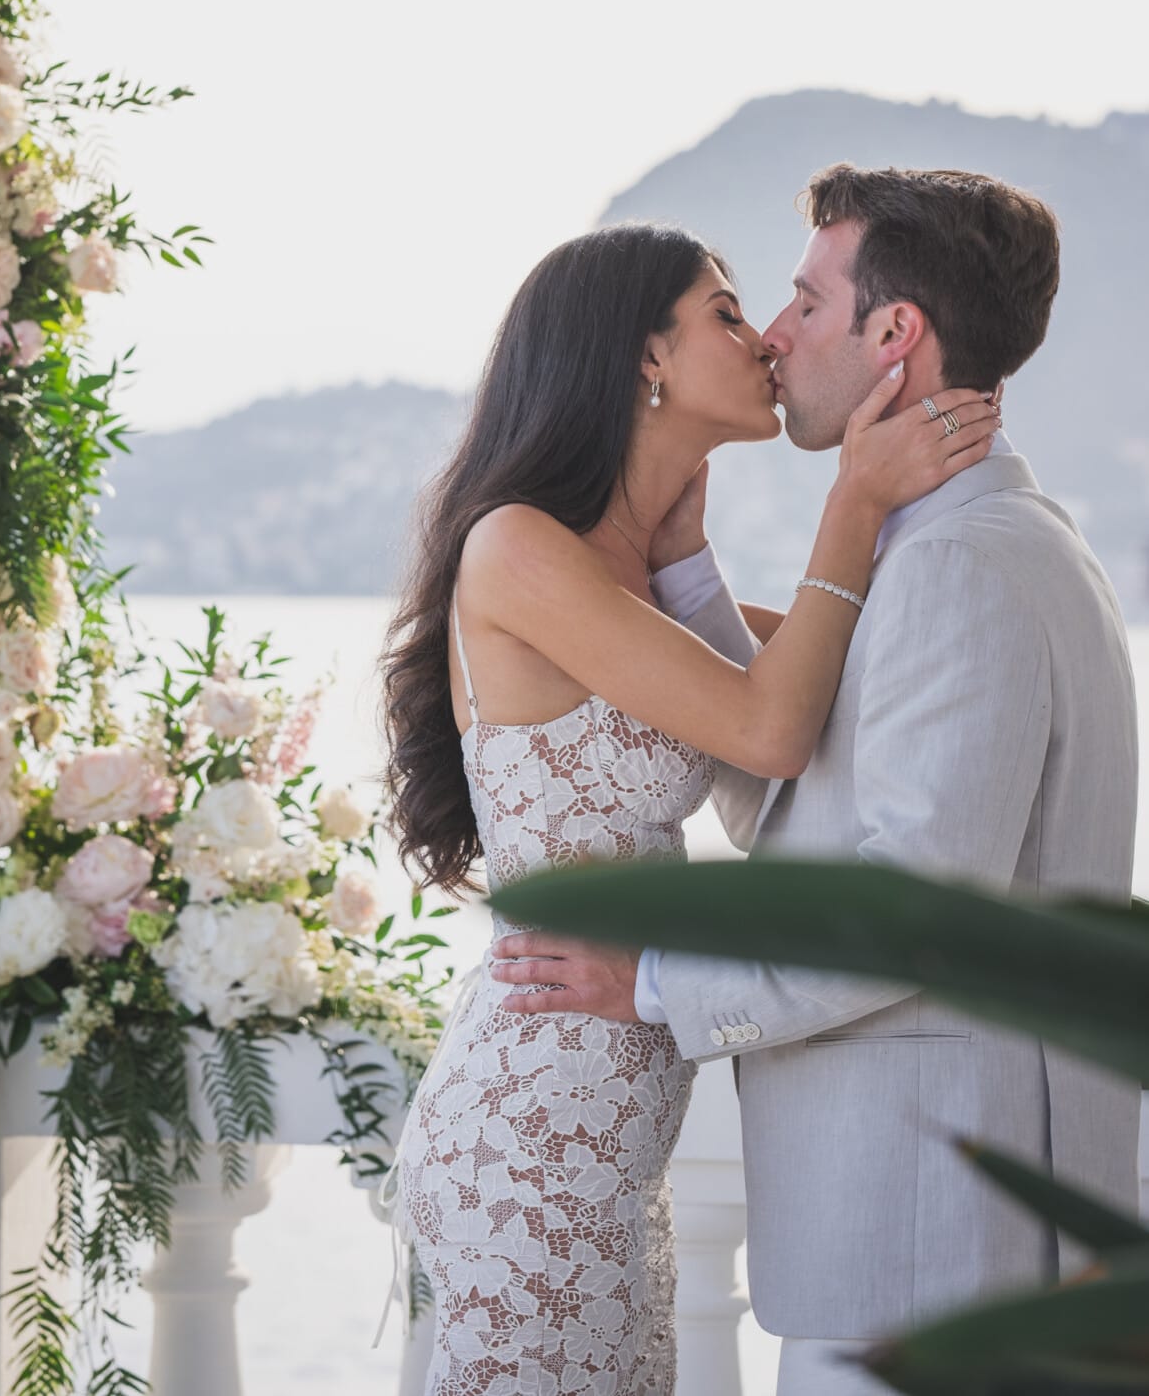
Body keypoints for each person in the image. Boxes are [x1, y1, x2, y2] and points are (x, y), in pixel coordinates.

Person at [491, 166, 1141, 1396]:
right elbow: (795, 799)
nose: (776, 337)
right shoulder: (967, 545)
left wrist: (651, 981)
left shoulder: (958, 567)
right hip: (921, 1244)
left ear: (893, 334)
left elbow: (911, 913)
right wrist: (688, 571)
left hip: (935, 1254)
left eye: (803, 301)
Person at [381, 216, 998, 1395]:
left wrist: (692, 562)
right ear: (644, 355)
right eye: (724, 311)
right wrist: (853, 504)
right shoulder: (519, 546)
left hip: (609, 1141)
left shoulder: (635, 573)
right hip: (532, 1138)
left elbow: (828, 686)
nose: (763, 338)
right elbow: (770, 729)